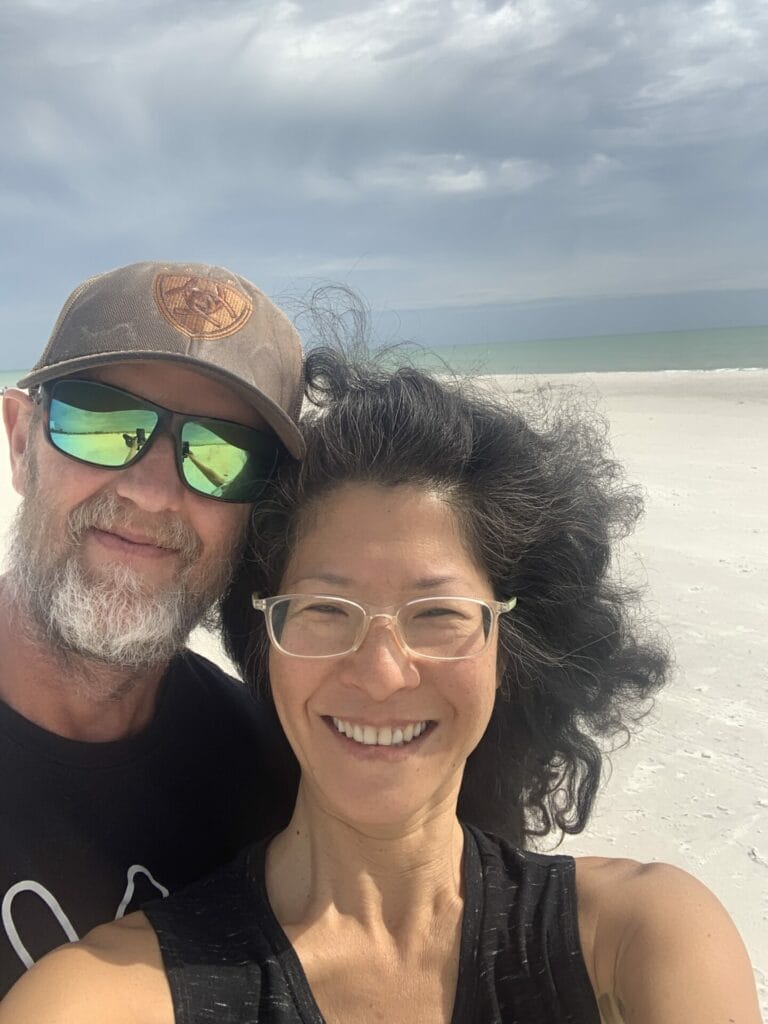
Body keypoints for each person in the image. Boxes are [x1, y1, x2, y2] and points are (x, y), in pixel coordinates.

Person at [1, 347, 760, 1022]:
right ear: (266, 639)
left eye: (438, 614)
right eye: (327, 610)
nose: (382, 670)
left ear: (509, 643)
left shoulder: (639, 941)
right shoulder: (103, 996)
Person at [0, 261, 301, 996]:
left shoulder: (276, 774)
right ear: (19, 440)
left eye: (223, 455)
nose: (153, 492)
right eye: (101, 420)